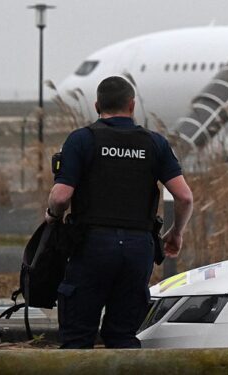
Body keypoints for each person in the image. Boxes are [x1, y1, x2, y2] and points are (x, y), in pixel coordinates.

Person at [45, 76, 194, 349]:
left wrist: (52, 217)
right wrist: (175, 233)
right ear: (132, 105)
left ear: (97, 105)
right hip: (139, 249)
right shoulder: (155, 143)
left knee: (77, 339)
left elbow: (61, 195)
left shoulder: (82, 140)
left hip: (91, 246)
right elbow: (184, 196)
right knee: (123, 337)